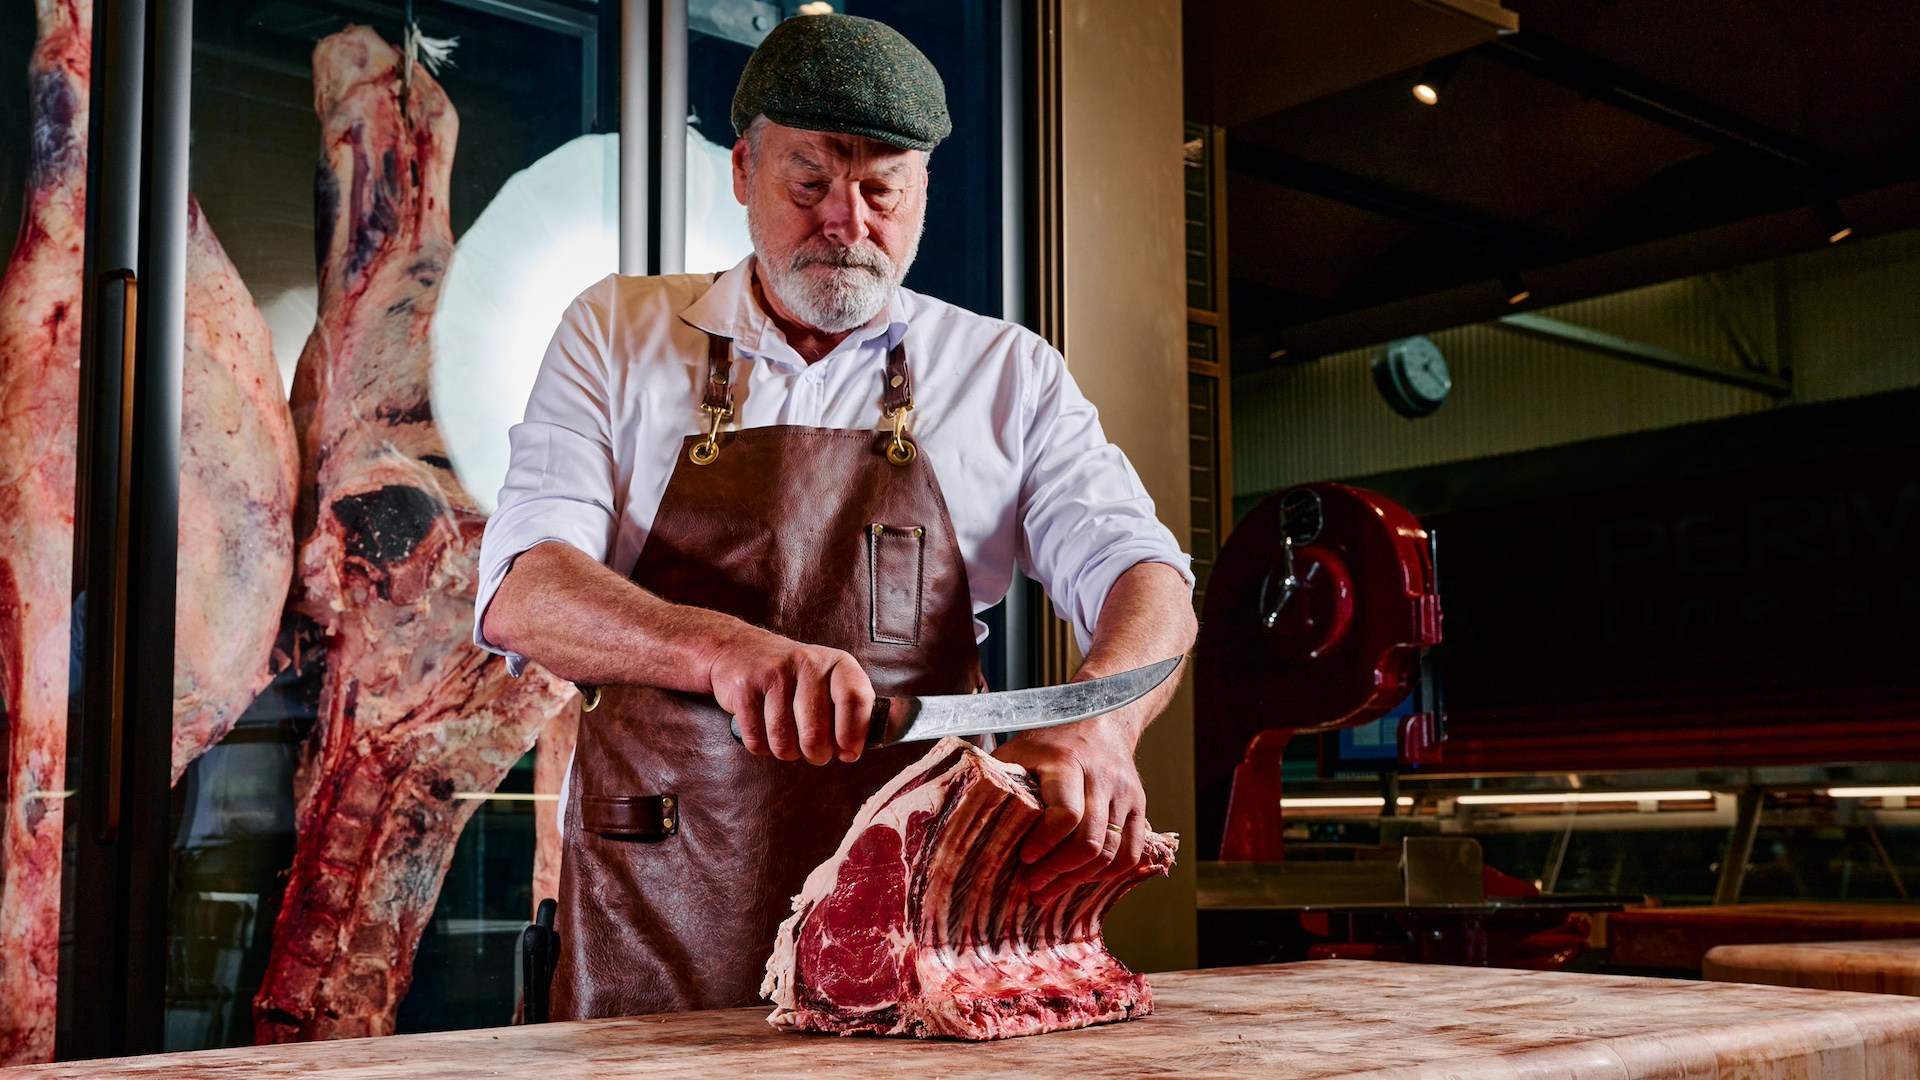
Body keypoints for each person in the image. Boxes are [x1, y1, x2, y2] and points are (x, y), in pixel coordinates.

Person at [474, 12, 1196, 1020]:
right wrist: (722, 650)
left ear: (923, 194)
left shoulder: (1005, 373)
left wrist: (1101, 726)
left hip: (916, 917)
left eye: (881, 191)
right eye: (809, 182)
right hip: (660, 909)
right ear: (742, 173)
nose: (846, 224)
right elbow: (525, 591)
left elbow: (1144, 575)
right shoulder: (619, 330)